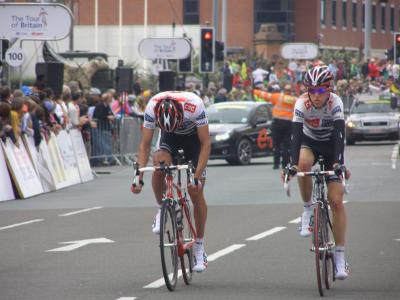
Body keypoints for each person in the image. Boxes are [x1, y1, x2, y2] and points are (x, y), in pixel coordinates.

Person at [131, 91, 211, 273]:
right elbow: (145, 145)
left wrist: (196, 177)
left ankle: (199, 246)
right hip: (169, 137)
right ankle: (162, 207)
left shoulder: (194, 105)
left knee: (195, 191)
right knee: (159, 166)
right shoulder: (152, 107)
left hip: (194, 140)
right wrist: (138, 178)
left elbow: (206, 143)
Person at [285, 65, 349, 280]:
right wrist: (292, 165)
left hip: (331, 145)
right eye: (311, 90)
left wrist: (339, 164)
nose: (315, 95)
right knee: (303, 165)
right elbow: (294, 136)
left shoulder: (335, 103)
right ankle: (307, 210)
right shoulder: (302, 103)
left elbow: (340, 136)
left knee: (336, 201)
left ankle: (340, 256)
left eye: (320, 91)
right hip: (309, 142)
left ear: (328, 90)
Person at [253, 84, 297, 169]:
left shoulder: (278, 97)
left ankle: (276, 164)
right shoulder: (295, 100)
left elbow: (265, 95)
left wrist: (254, 91)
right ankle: (285, 164)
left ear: (284, 90)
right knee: (286, 145)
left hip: (277, 123)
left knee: (276, 144)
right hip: (288, 124)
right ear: (291, 91)